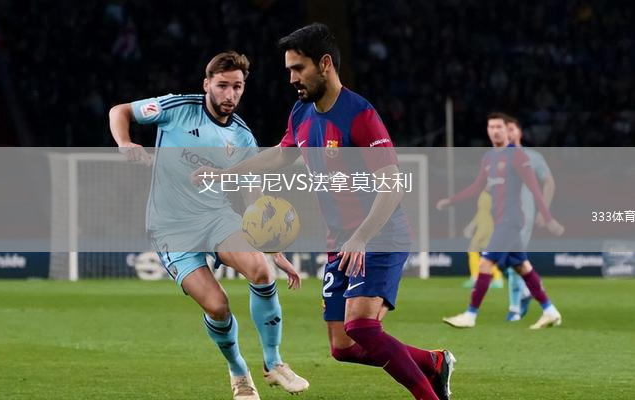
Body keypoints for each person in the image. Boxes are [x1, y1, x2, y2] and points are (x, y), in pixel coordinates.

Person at [193, 24, 455, 400]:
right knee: (342, 347)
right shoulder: (301, 112)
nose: (292, 78)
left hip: (378, 234)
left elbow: (393, 185)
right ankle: (434, 362)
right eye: (289, 70)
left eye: (298, 68)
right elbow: (279, 156)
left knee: (362, 328)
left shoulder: (360, 115)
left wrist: (361, 238)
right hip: (340, 241)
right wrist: (225, 175)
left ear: (325, 64)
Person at [108, 51, 309, 400]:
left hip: (216, 217)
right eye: (222, 86)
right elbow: (119, 111)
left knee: (262, 271)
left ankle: (274, 363)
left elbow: (251, 192)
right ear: (206, 85)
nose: (230, 94)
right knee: (217, 306)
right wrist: (125, 143)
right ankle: (239, 371)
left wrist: (273, 249)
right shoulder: (177, 108)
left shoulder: (242, 136)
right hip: (171, 229)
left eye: (237, 87)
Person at [437, 112, 564, 330]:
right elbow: (477, 187)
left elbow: (534, 187)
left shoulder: (517, 156)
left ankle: (470, 314)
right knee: (522, 266)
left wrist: (548, 217)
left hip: (511, 220)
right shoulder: (489, 158)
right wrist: (451, 201)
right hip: (501, 220)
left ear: (507, 131)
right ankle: (550, 311)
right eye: (491, 127)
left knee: (485, 263)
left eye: (499, 127)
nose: (495, 131)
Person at [503, 116, 556, 321]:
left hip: (523, 214)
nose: (508, 133)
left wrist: (544, 210)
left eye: (512, 129)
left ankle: (515, 308)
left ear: (520, 132)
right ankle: (527, 291)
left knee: (513, 257)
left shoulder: (532, 157)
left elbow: (549, 182)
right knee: (502, 259)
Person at [462, 190, 504, 289]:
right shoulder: (485, 194)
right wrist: (471, 226)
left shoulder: (492, 194)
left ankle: (484, 278)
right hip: (484, 226)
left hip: (486, 227)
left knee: (476, 251)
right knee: (483, 254)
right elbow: (480, 213)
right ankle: (493, 278)